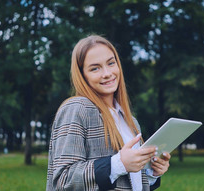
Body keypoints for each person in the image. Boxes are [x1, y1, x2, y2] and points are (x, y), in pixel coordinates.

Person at [46, 35, 171, 191]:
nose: (107, 73)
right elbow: (62, 179)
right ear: (82, 75)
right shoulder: (77, 108)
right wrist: (119, 163)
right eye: (95, 68)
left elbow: (130, 183)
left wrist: (151, 173)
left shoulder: (130, 121)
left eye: (111, 63)